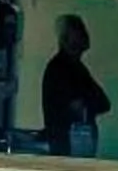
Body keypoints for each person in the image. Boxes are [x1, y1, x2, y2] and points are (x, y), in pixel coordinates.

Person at [41, 13, 111, 160]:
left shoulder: (72, 67)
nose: (83, 38)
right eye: (79, 34)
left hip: (71, 147)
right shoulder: (62, 69)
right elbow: (95, 104)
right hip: (69, 149)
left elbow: (102, 103)